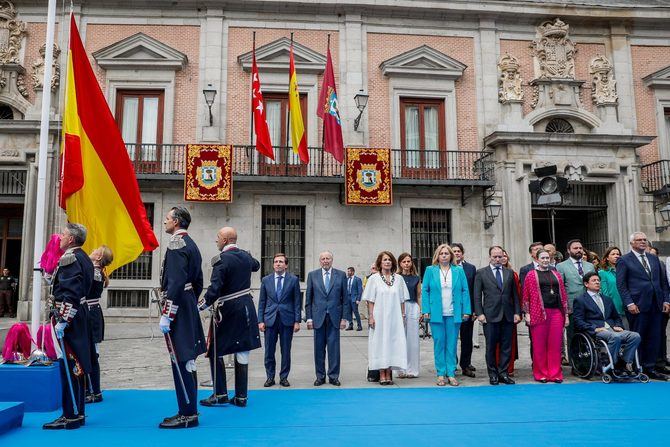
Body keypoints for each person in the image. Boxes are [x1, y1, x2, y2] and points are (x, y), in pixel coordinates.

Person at [200, 227, 261, 406]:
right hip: (247, 307)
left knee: (215, 350)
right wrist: (246, 254)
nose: (216, 240)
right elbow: (256, 265)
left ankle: (220, 395)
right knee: (242, 350)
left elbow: (214, 289)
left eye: (218, 237)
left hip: (229, 309)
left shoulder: (221, 260)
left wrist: (200, 306)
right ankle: (241, 397)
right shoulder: (245, 256)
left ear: (225, 240)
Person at [157, 207, 206, 428]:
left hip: (178, 306)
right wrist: (188, 302)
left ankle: (188, 414)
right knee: (187, 360)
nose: (164, 222)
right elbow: (198, 282)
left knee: (182, 359)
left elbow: (175, 283)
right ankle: (188, 409)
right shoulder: (191, 243)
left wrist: (167, 314)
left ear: (176, 222)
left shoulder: (176, 244)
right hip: (187, 304)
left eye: (167, 219)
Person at [43, 223, 94, 430]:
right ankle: (77, 411)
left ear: (71, 239)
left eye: (63, 235)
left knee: (70, 365)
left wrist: (63, 320)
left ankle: (70, 415)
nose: (60, 238)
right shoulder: (83, 256)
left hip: (70, 318)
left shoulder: (69, 258)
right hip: (79, 315)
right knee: (77, 366)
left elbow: (70, 293)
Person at [616, 232, 670, 380]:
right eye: (639, 240)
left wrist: (666, 300)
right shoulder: (624, 260)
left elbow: (663, 282)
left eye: (644, 240)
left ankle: (650, 367)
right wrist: (629, 303)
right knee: (639, 336)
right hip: (637, 305)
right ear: (632, 243)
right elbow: (621, 285)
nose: (642, 242)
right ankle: (636, 366)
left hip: (656, 304)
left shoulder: (654, 258)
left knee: (655, 337)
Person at [573, 272, 641, 376]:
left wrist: (618, 326)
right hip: (596, 330)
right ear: (586, 284)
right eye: (594, 280)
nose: (597, 282)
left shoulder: (607, 299)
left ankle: (625, 362)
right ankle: (612, 364)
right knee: (615, 337)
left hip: (611, 328)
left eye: (598, 280)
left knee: (635, 336)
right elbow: (578, 321)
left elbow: (616, 317)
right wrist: (595, 329)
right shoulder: (580, 300)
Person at [421, 244, 470, 386]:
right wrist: (426, 310)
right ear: (437, 255)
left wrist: (466, 310)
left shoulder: (458, 271)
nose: (444, 255)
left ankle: (451, 373)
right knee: (439, 343)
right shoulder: (430, 270)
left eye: (446, 253)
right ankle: (441, 373)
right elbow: (425, 290)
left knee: (452, 343)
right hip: (436, 313)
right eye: (441, 253)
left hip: (453, 313)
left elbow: (465, 291)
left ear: (451, 256)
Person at [473, 246, 521, 386]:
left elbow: (515, 296)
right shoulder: (481, 273)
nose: (498, 259)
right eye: (495, 256)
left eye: (500, 256)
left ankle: (503, 373)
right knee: (491, 347)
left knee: (506, 346)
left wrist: (517, 312)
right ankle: (493, 374)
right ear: (490, 257)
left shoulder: (509, 273)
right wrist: (479, 313)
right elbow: (477, 296)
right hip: (490, 316)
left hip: (508, 315)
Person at [522, 249, 569, 383]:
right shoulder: (531, 275)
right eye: (542, 258)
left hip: (556, 313)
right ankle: (541, 373)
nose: (545, 260)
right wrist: (527, 314)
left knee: (555, 344)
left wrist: (565, 315)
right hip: (538, 313)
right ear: (536, 259)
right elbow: (526, 296)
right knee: (539, 344)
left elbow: (563, 295)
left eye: (547, 258)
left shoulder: (556, 274)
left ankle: (555, 373)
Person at [363, 251, 409, 385]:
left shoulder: (398, 279)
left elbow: (402, 300)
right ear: (380, 263)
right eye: (385, 260)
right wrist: (371, 317)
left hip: (395, 318)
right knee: (380, 343)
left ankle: (389, 372)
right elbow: (370, 300)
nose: (387, 262)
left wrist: (403, 315)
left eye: (389, 259)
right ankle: (382, 372)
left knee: (392, 343)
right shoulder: (374, 279)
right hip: (379, 317)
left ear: (393, 262)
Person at [305, 251, 350, 386]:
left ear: (332, 260)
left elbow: (345, 299)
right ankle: (320, 376)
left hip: (334, 317)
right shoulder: (312, 275)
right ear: (320, 261)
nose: (325, 261)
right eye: (323, 259)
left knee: (334, 349)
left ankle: (333, 376)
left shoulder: (341, 275)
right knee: (318, 349)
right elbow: (308, 298)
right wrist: (309, 318)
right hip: (318, 317)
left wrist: (344, 318)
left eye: (328, 258)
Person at [258, 253, 301, 387]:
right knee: (269, 351)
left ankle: (284, 377)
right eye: (276, 262)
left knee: (286, 351)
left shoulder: (293, 280)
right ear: (273, 264)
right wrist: (260, 320)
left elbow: (297, 302)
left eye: (281, 262)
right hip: (270, 320)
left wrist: (297, 321)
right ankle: (270, 377)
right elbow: (262, 302)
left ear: (286, 265)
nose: (278, 264)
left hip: (287, 320)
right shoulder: (266, 280)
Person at [556, 239, 594, 362]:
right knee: (573, 336)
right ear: (568, 251)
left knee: (590, 334)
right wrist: (565, 308)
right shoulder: (561, 266)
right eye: (575, 248)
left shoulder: (590, 265)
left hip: (589, 306)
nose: (578, 250)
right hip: (572, 306)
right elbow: (560, 288)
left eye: (580, 248)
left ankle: (590, 361)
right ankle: (575, 364)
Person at [86, 245, 113, 404]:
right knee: (90, 353)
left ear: (98, 257)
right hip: (91, 312)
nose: (93, 250)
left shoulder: (95, 273)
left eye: (96, 250)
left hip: (91, 314)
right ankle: (91, 389)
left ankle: (94, 390)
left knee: (92, 354)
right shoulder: (94, 271)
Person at [452, 243, 477, 378]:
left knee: (467, 339)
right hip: (451, 310)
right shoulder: (446, 268)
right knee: (452, 338)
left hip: (467, 310)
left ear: (462, 253)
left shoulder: (471, 268)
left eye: (458, 251)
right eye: (454, 251)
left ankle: (465, 364)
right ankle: (452, 363)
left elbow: (474, 290)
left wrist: (474, 310)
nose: (456, 253)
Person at [397, 253, 421, 378]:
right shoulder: (396, 277)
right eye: (404, 261)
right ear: (400, 263)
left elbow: (418, 295)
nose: (406, 264)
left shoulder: (416, 278)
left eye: (408, 261)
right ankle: (400, 369)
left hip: (412, 307)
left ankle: (412, 369)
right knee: (400, 339)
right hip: (399, 307)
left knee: (412, 340)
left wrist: (421, 310)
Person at [499, 249, 521, 376]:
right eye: (500, 256)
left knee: (509, 341)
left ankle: (509, 367)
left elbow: (517, 295)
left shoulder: (513, 274)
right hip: (495, 313)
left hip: (510, 312)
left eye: (505, 256)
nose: (502, 258)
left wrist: (517, 312)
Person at [598, 247, 625, 327]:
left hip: (627, 307)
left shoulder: (624, 270)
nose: (616, 256)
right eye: (613, 254)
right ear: (607, 258)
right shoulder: (602, 273)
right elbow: (605, 293)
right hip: (614, 308)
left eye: (618, 254)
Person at [345, 267, 363, 331]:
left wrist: (358, 299)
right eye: (348, 271)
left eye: (349, 271)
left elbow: (360, 290)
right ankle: (350, 325)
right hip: (347, 298)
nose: (348, 272)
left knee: (356, 312)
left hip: (354, 298)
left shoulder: (357, 279)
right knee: (348, 313)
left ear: (353, 272)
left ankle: (359, 326)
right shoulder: (346, 279)